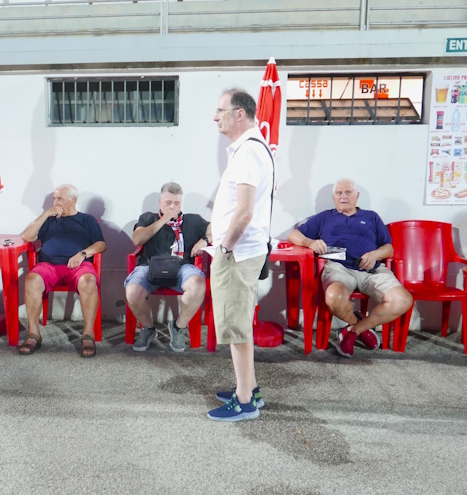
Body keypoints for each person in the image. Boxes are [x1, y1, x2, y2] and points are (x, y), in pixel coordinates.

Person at [207, 88, 275, 422]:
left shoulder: (248, 151)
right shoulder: (251, 148)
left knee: (236, 328)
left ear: (240, 114)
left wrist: (225, 248)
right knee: (239, 324)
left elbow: (245, 212)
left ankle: (245, 401)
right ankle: (250, 388)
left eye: (220, 111)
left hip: (238, 253)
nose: (215, 117)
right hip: (244, 251)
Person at [287, 178, 413, 358]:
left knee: (403, 300)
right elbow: (294, 235)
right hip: (339, 269)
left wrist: (375, 254)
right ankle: (360, 327)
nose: (343, 196)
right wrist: (310, 242)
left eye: (348, 192)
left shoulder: (371, 217)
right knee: (334, 297)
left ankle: (354, 331)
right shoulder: (325, 217)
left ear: (357, 196)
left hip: (372, 271)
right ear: (334, 197)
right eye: (338, 193)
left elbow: (389, 248)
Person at [19, 184, 106, 358]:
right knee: (32, 280)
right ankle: (34, 334)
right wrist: (46, 214)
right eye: (54, 198)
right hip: (49, 265)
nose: (55, 202)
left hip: (78, 266)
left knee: (88, 281)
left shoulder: (87, 220)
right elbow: (26, 236)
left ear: (73, 201)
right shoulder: (49, 220)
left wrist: (83, 254)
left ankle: (88, 334)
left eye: (59, 199)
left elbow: (101, 244)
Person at [126, 182, 210, 352]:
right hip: (150, 266)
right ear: (160, 201)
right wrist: (164, 219)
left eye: (177, 203)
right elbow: (137, 239)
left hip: (182, 267)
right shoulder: (148, 218)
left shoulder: (193, 220)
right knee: (133, 292)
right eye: (168, 203)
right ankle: (148, 328)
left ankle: (178, 327)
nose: (173, 207)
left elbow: (216, 229)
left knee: (198, 285)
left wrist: (205, 240)